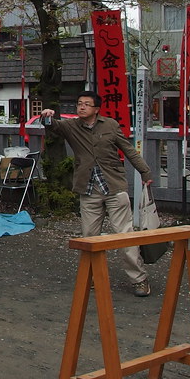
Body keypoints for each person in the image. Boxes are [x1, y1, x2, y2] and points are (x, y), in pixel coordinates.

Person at [40, 91, 154, 297]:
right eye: (79, 103)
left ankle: (139, 279)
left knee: (124, 235)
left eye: (86, 104)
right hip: (88, 188)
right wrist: (46, 116)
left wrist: (144, 171)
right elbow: (52, 125)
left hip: (114, 186)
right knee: (89, 237)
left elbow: (128, 149)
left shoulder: (110, 125)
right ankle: (90, 277)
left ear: (96, 109)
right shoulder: (71, 126)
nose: (81, 107)